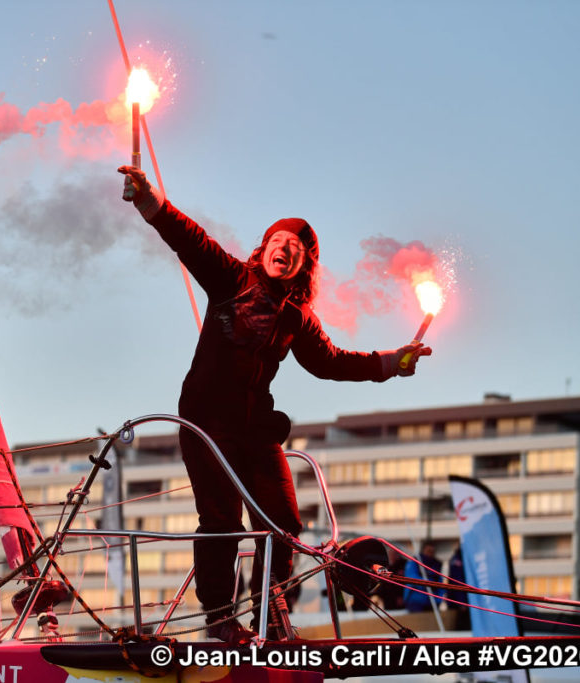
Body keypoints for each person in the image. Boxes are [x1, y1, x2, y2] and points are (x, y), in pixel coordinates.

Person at [117, 165, 431, 643]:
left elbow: (331, 362)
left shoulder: (297, 317)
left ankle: (272, 618)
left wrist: (393, 361)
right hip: (207, 421)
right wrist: (149, 201)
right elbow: (190, 239)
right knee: (221, 521)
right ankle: (220, 618)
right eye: (280, 241)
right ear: (264, 249)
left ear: (304, 266)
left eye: (298, 249)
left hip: (256, 427)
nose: (287, 249)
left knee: (283, 523)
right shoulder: (230, 278)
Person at [403, 540, 445, 612]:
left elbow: (440, 582)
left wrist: (439, 599)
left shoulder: (437, 564)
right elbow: (411, 578)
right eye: (428, 550)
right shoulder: (414, 562)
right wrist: (428, 582)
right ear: (423, 550)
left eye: (432, 551)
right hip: (416, 601)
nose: (430, 553)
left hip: (433, 601)